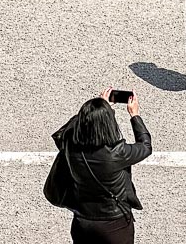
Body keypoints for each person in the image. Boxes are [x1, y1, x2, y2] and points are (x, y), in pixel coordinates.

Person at [45, 90, 152, 243]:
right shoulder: (117, 153)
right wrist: (134, 115)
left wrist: (93, 112)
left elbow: (63, 133)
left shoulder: (71, 146)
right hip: (115, 225)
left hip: (83, 221)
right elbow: (145, 146)